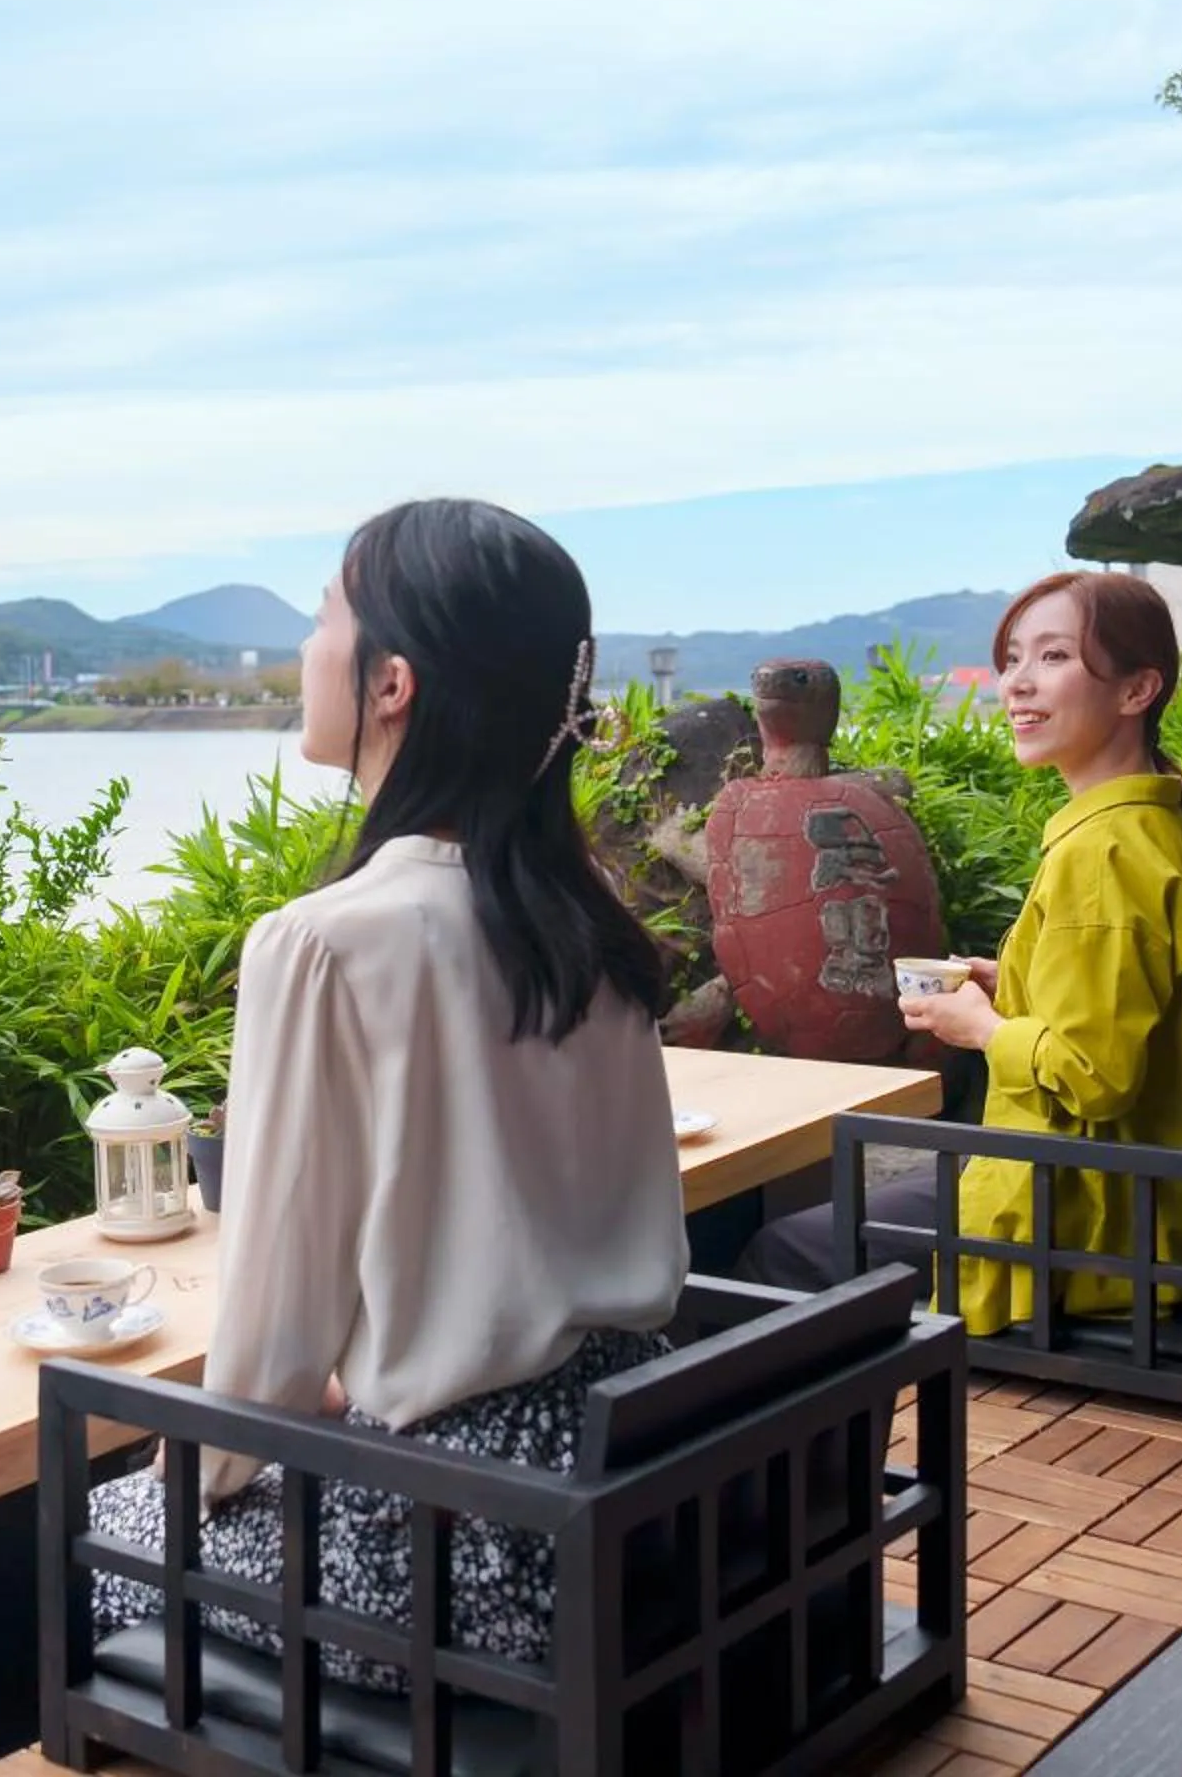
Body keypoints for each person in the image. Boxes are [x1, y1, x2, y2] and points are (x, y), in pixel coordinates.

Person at [87, 497, 689, 1689]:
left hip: (459, 1540)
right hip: (628, 1490)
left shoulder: (326, 939)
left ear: (393, 681)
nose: (305, 650)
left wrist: (191, 1467)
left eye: (322, 616)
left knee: (99, 1525)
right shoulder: (584, 924)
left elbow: (271, 1323)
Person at [736, 570, 1182, 1333]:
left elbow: (1097, 1076)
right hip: (1153, 1199)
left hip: (1095, 1219)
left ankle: (824, 1442)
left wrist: (980, 1029)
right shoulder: (1151, 822)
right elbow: (1130, 998)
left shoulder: (1103, 855)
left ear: (1136, 690)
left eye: (1053, 658)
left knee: (780, 1253)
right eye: (1012, 659)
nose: (1017, 685)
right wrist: (1010, 981)